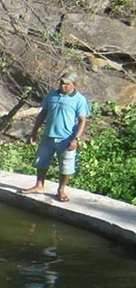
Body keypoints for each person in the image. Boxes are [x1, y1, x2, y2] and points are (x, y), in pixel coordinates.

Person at [19, 72, 90, 203]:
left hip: (66, 138)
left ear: (74, 85)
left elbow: (82, 120)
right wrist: (34, 132)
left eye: (67, 84)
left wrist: (76, 139)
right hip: (48, 136)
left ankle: (61, 190)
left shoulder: (79, 100)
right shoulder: (51, 96)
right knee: (42, 161)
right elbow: (42, 114)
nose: (63, 86)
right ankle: (39, 185)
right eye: (61, 83)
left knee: (66, 165)